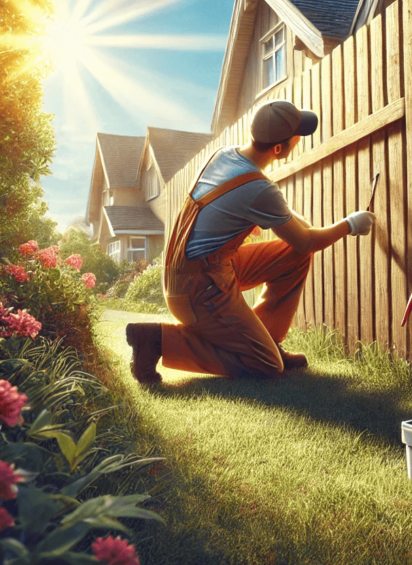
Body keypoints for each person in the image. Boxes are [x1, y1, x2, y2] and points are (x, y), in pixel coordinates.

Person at [125, 99, 376, 384]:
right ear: (279, 149)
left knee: (292, 255)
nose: (299, 138)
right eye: (297, 134)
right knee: (266, 364)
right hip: (195, 289)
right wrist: (351, 225)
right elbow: (306, 240)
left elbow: (291, 235)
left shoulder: (224, 155)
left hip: (203, 268)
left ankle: (267, 339)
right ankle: (156, 340)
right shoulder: (258, 189)